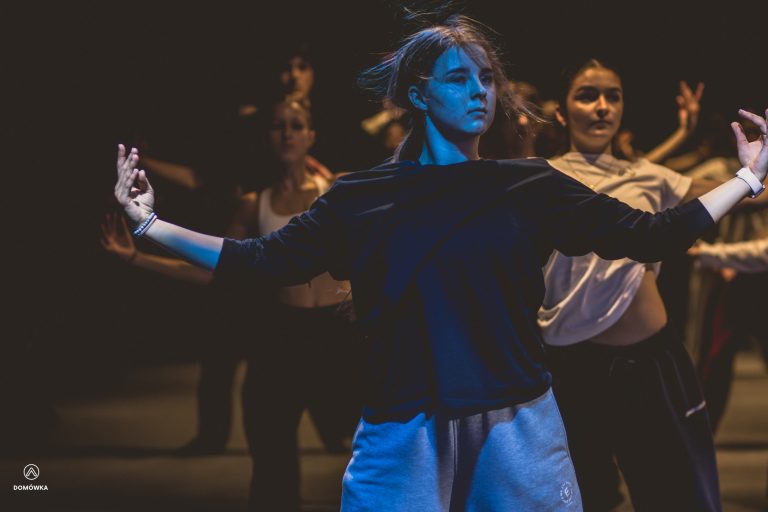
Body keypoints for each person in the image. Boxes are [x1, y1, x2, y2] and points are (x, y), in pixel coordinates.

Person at [113, 16, 768, 511]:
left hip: (518, 425)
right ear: (419, 95)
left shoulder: (528, 185)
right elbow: (261, 261)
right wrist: (150, 225)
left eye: (487, 79)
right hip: (402, 431)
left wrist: (747, 178)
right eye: (460, 78)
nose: (481, 92)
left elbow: (654, 235)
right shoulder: (361, 197)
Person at [106, 100, 361, 511]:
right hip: (281, 339)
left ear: (312, 136)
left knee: (369, 463)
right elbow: (215, 269)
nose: (287, 133)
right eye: (278, 126)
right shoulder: (253, 203)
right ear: (266, 138)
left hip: (339, 337)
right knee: (273, 466)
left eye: (297, 125)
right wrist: (137, 257)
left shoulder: (339, 190)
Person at [537, 58, 764, 511]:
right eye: (587, 96)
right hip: (571, 368)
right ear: (561, 112)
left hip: (651, 362)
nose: (602, 106)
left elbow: (736, 194)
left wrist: (755, 171)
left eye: (613, 96)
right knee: (582, 495)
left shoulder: (648, 175)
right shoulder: (539, 177)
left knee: (673, 493)